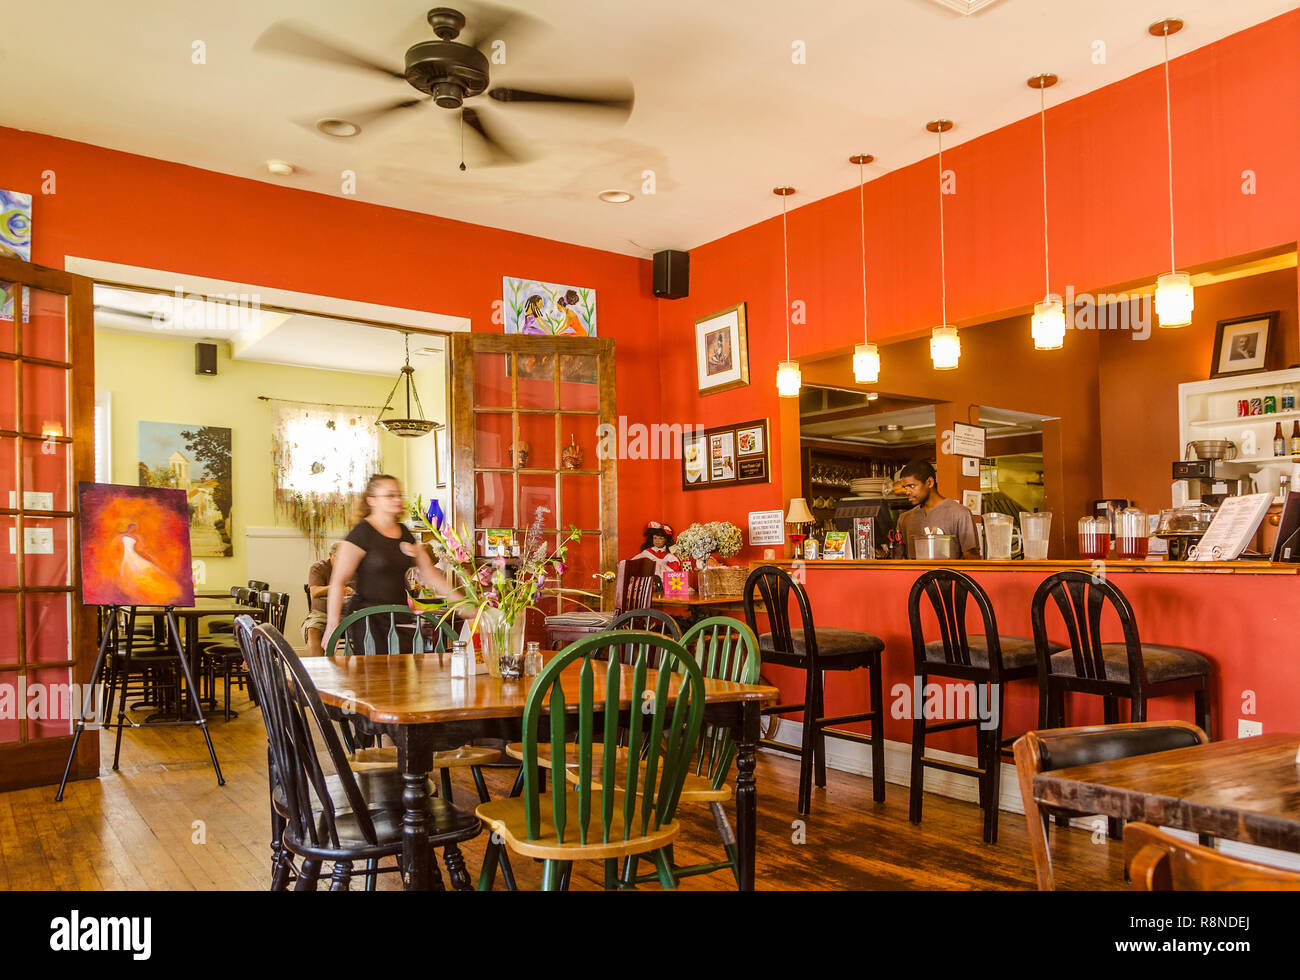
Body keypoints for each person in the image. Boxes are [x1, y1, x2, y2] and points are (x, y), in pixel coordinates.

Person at [325, 474, 456, 653]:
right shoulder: (362, 533)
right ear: (372, 500)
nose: (396, 499)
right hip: (369, 622)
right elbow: (338, 581)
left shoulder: (404, 532)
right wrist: (332, 625)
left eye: (398, 495)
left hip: (399, 618)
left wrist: (463, 603)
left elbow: (431, 575)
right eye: (389, 495)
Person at [895, 460, 980, 559]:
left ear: (929, 482)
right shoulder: (905, 519)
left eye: (912, 486)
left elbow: (972, 558)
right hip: (916, 575)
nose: (907, 492)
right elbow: (900, 559)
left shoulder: (960, 513)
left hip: (950, 574)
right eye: (905, 487)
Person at [302, 542, 350, 657]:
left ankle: (361, 667)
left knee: (369, 627)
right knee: (313, 629)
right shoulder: (319, 567)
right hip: (322, 613)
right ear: (330, 555)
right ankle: (318, 666)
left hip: (349, 613)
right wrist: (336, 588)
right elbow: (314, 592)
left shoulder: (353, 568)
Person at [631, 521, 682, 588]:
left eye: (661, 538)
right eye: (655, 538)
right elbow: (635, 563)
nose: (657, 540)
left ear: (666, 540)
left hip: (664, 581)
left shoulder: (669, 555)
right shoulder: (647, 553)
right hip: (648, 580)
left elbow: (675, 571)